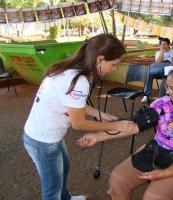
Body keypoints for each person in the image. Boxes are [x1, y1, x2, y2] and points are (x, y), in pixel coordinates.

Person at [23, 34, 138, 200]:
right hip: (44, 140)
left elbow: (71, 103)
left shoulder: (68, 69)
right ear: (100, 59)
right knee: (51, 190)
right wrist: (116, 126)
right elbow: (78, 123)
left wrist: (100, 114)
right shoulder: (78, 80)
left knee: (64, 168)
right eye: (114, 64)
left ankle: (66, 198)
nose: (114, 68)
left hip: (43, 135)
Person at [78, 68, 173, 200]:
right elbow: (133, 126)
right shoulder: (163, 103)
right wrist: (98, 136)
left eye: (171, 88)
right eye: (166, 86)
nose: (167, 91)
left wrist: (166, 173)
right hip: (159, 148)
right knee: (118, 179)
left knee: (153, 196)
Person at [141, 37, 173, 102]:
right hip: (159, 70)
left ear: (169, 44)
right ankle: (146, 95)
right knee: (149, 74)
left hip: (169, 70)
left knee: (165, 68)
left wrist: (169, 60)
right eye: (162, 44)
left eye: (165, 44)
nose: (163, 46)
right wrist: (162, 52)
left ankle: (160, 98)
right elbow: (158, 62)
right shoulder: (158, 52)